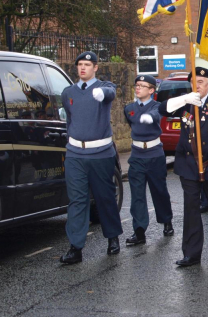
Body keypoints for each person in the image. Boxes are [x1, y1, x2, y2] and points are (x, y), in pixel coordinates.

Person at [158, 67, 208, 267]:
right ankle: (191, 254)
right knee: (191, 208)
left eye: (202, 81)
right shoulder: (185, 103)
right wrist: (184, 99)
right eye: (194, 81)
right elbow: (162, 109)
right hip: (188, 164)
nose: (198, 85)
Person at [59, 52, 123, 265]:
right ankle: (75, 247)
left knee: (105, 197)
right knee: (77, 201)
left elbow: (110, 93)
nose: (82, 68)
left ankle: (112, 237)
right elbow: (70, 118)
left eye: (87, 64)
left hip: (100, 154)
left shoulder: (106, 86)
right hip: (76, 154)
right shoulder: (68, 92)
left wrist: (101, 93)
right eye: (80, 65)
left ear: (95, 67)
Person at [123, 75, 174, 247]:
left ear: (151, 90)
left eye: (142, 86)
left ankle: (166, 221)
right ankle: (139, 231)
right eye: (136, 85)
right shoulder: (129, 108)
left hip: (154, 155)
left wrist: (149, 117)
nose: (138, 88)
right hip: (137, 155)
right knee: (137, 195)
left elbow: (156, 115)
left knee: (159, 191)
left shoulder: (157, 107)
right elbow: (132, 124)